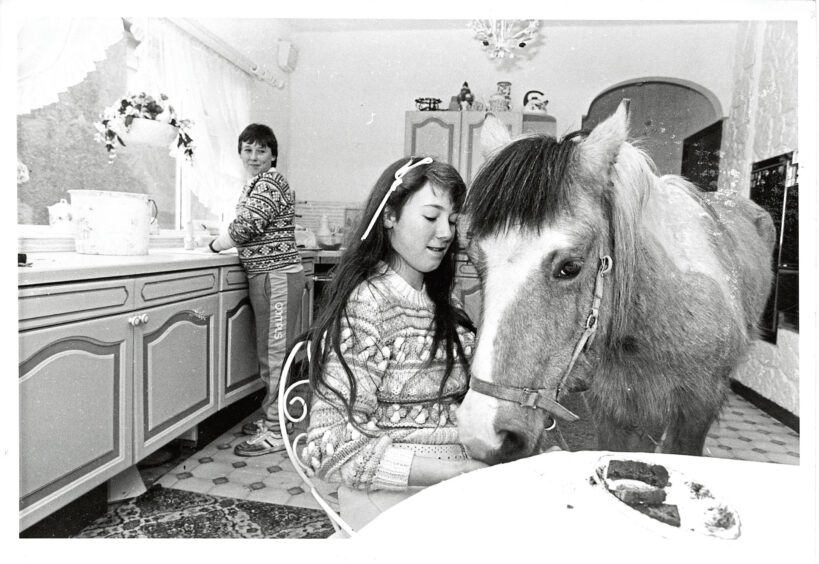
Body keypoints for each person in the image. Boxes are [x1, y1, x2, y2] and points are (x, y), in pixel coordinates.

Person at [300, 156, 487, 531]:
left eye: (452, 221)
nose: (446, 233)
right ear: (389, 216)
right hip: (390, 496)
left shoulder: (443, 302)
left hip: (450, 483)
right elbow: (329, 447)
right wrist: (452, 472)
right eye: (431, 217)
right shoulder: (369, 305)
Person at [207, 123, 306, 457]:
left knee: (275, 355)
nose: (253, 156)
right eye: (247, 149)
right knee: (272, 353)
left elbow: (246, 226)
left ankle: (277, 431)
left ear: (273, 154)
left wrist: (215, 244)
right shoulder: (257, 184)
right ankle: (276, 416)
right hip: (270, 276)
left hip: (275, 278)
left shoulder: (269, 182)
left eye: (261, 150)